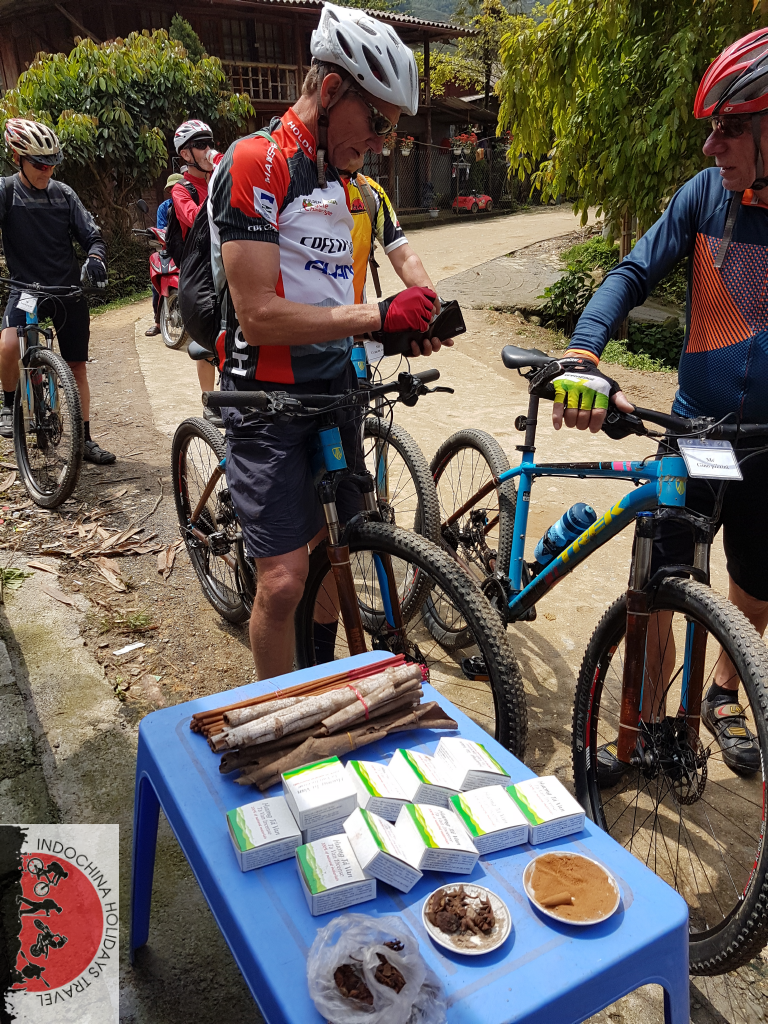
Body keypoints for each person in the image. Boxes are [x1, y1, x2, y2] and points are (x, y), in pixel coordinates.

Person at [548, 28, 768, 779]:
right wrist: (584, 351)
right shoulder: (705, 195)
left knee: (755, 591)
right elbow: (633, 272)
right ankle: (635, 730)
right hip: (696, 429)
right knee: (653, 593)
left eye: (730, 126)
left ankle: (724, 690)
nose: (712, 145)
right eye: (712, 127)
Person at [210, 2, 450, 678]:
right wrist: (377, 316)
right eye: (378, 122)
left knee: (335, 552)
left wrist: (408, 323)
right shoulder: (257, 162)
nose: (382, 141)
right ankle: (277, 713)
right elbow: (258, 315)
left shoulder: (352, 184)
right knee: (285, 579)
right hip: (264, 398)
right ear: (334, 88)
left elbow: (373, 272)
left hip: (336, 389)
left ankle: (317, 675)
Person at [0, 119, 115, 463]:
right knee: (8, 345)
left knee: (77, 366)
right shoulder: (6, 192)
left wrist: (96, 258)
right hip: (26, 290)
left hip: (66, 289)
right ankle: (8, 405)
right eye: (39, 164)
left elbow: (93, 236)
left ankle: (84, 440)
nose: (47, 171)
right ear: (17, 158)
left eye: (52, 164)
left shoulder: (64, 194)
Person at [171, 120, 223, 418]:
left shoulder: (219, 177)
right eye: (200, 145)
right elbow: (194, 218)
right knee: (205, 337)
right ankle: (209, 401)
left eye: (210, 143)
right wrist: (220, 187)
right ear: (186, 154)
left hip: (225, 263)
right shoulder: (182, 189)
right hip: (200, 271)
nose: (208, 150)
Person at [145, 172, 184, 338]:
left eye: (177, 187)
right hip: (168, 250)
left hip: (189, 250)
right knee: (157, 285)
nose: (174, 191)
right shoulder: (164, 208)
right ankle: (158, 323)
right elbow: (162, 230)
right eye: (171, 189)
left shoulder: (190, 204)